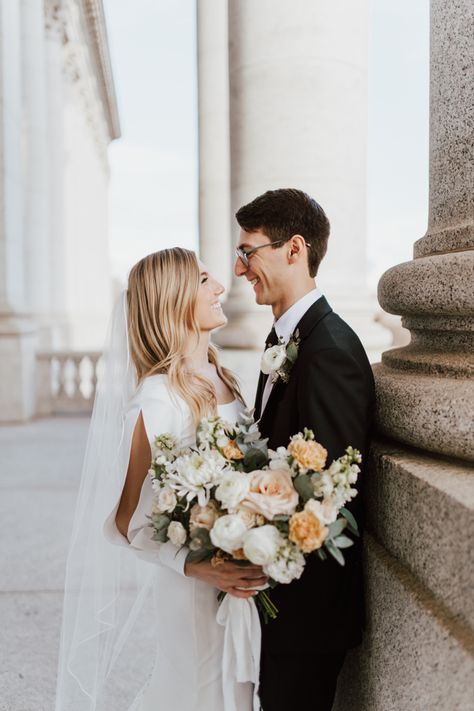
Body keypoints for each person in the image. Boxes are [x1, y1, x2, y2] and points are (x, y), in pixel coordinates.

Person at [55, 248, 265, 711]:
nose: (219, 287)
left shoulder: (222, 375)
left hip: (241, 583)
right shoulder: (158, 399)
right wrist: (197, 565)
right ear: (173, 299)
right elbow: (126, 518)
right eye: (204, 279)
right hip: (193, 591)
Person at [234, 188, 376, 711]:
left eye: (249, 252)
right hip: (279, 605)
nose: (240, 267)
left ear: (294, 249)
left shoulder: (329, 351)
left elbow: (328, 495)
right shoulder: (283, 342)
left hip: (306, 615)